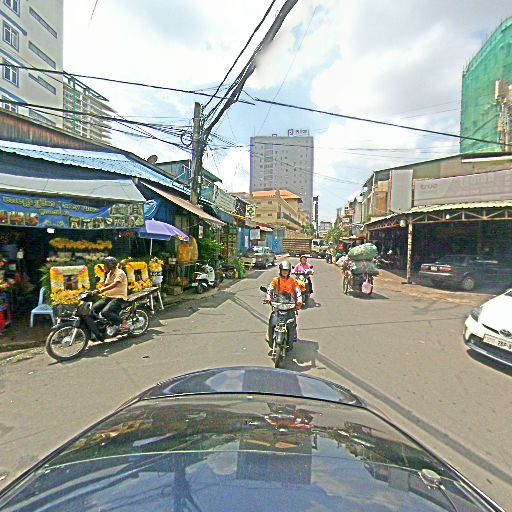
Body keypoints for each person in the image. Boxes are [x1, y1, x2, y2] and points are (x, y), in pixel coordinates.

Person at [265, 261, 302, 347]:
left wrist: (299, 300)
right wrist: (268, 298)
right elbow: (270, 289)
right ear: (280, 270)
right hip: (279, 302)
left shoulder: (292, 280)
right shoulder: (276, 280)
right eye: (283, 270)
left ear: (289, 271)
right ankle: (269, 333)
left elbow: (298, 291)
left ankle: (293, 332)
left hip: (289, 303)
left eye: (287, 270)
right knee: (273, 318)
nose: (285, 272)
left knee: (292, 318)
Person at [92, 257, 129, 334]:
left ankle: (124, 322)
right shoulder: (109, 274)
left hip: (119, 297)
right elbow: (106, 284)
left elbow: (114, 284)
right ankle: (103, 325)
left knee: (105, 312)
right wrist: (94, 291)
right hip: (109, 297)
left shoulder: (120, 273)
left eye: (105, 265)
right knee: (93, 309)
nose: (104, 267)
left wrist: (101, 290)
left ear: (110, 265)